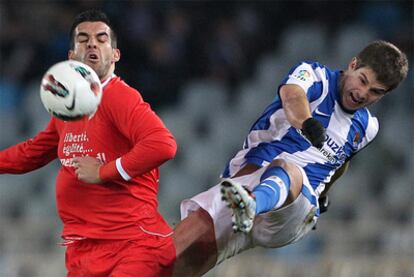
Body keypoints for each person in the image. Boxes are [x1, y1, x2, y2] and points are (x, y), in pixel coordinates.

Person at [172, 40, 408, 276]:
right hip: (247, 181)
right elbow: (292, 95)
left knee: (287, 169)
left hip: (294, 211)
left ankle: (251, 205)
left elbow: (342, 162)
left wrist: (323, 194)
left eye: (376, 92)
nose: (362, 94)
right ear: (353, 64)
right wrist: (306, 122)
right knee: (179, 252)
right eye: (363, 80)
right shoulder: (314, 75)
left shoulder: (367, 128)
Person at [0, 10, 177, 276]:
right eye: (83, 39)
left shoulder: (119, 96)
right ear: (71, 56)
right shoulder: (71, 107)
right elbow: (32, 153)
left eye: (101, 39)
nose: (92, 43)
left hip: (131, 246)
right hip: (85, 251)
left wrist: (103, 172)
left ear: (115, 55)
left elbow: (163, 144)